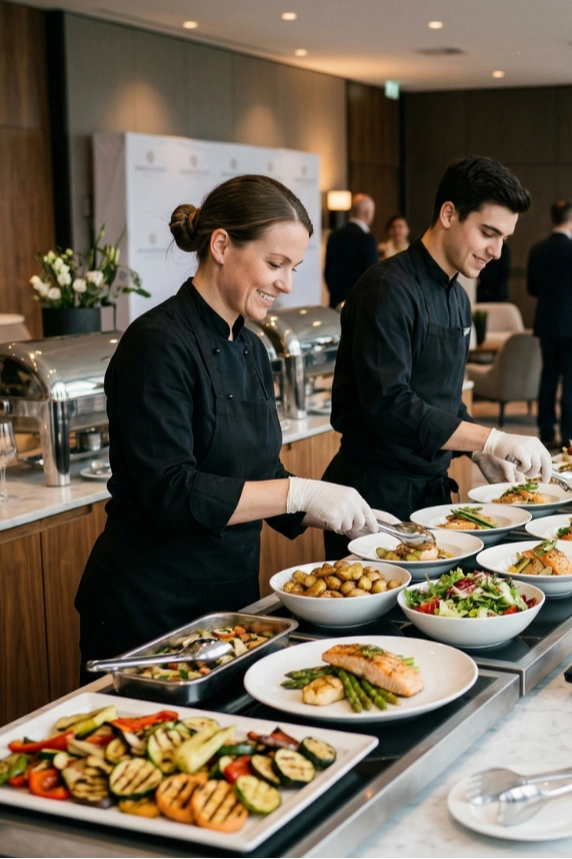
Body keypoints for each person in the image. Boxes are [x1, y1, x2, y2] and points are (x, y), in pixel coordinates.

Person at [75, 175, 379, 674]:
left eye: (294, 268)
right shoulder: (157, 344)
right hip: (151, 606)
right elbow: (169, 490)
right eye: (275, 263)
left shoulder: (253, 347)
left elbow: (260, 473)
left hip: (227, 601)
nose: (286, 283)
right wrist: (298, 494)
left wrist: (349, 514)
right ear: (221, 245)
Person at [322, 156, 551, 559]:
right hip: (375, 497)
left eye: (505, 239)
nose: (497, 252)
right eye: (488, 233)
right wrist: (492, 437)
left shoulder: (459, 299)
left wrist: (478, 451)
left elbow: (442, 400)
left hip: (430, 495)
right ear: (448, 213)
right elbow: (391, 405)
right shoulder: (386, 288)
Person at [527, 199, 572, 446]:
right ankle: (568, 435)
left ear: (551, 218)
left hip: (547, 322)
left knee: (548, 377)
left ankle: (546, 432)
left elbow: (531, 288)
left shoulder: (537, 249)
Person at [324, 193, 378, 308]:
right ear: (367, 213)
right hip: (359, 305)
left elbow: (328, 273)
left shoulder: (333, 236)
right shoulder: (367, 239)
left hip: (335, 304)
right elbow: (372, 276)